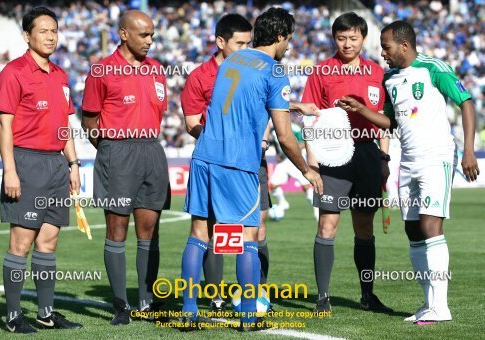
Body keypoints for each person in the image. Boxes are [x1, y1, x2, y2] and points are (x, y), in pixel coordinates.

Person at [180, 7, 322, 331]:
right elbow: (285, 136)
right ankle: (248, 315)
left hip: (204, 155)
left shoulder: (231, 60)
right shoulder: (274, 71)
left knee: (199, 234)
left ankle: (189, 311)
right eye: (289, 40)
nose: (289, 47)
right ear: (281, 36)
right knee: (247, 237)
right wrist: (307, 171)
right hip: (238, 161)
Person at [339, 20, 480, 323]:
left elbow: (466, 103)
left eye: (386, 48)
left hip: (436, 157)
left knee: (431, 227)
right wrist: (361, 110)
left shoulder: (433, 68)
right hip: (408, 161)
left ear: (404, 45)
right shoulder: (389, 78)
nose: (383, 55)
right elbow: (392, 122)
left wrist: (469, 150)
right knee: (412, 230)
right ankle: (427, 303)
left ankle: (441, 307)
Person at [0, 6, 82, 333]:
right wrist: (10, 171)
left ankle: (45, 314)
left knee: (48, 241)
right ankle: (14, 317)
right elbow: (5, 124)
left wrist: (73, 163)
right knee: (21, 243)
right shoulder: (13, 72)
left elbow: (65, 125)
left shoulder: (61, 75)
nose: (50, 36)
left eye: (54, 30)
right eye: (43, 30)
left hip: (56, 167)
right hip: (26, 163)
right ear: (27, 36)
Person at [81, 10, 171, 325]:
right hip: (117, 152)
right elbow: (89, 120)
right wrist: (109, 149)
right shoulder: (101, 70)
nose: (150, 41)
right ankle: (121, 306)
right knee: (117, 230)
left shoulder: (158, 70)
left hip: (151, 151)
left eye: (152, 35)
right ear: (123, 34)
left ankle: (146, 302)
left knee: (149, 230)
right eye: (143, 35)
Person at [301, 12, 392, 313]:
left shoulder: (378, 73)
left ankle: (368, 295)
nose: (347, 43)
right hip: (332, 157)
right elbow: (308, 117)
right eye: (341, 38)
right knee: (328, 224)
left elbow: (385, 121)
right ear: (334, 38)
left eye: (353, 38)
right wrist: (312, 163)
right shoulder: (322, 71)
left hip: (367, 155)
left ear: (364, 39)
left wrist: (384, 157)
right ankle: (322, 297)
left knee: (364, 226)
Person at [180, 13, 255, 312]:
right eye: (239, 43)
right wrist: (219, 138)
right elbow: (189, 122)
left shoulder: (251, 70)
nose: (245, 49)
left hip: (237, 159)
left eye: (249, 43)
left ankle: (213, 299)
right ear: (220, 41)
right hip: (220, 161)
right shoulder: (200, 76)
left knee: (223, 233)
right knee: (211, 231)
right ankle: (243, 311)